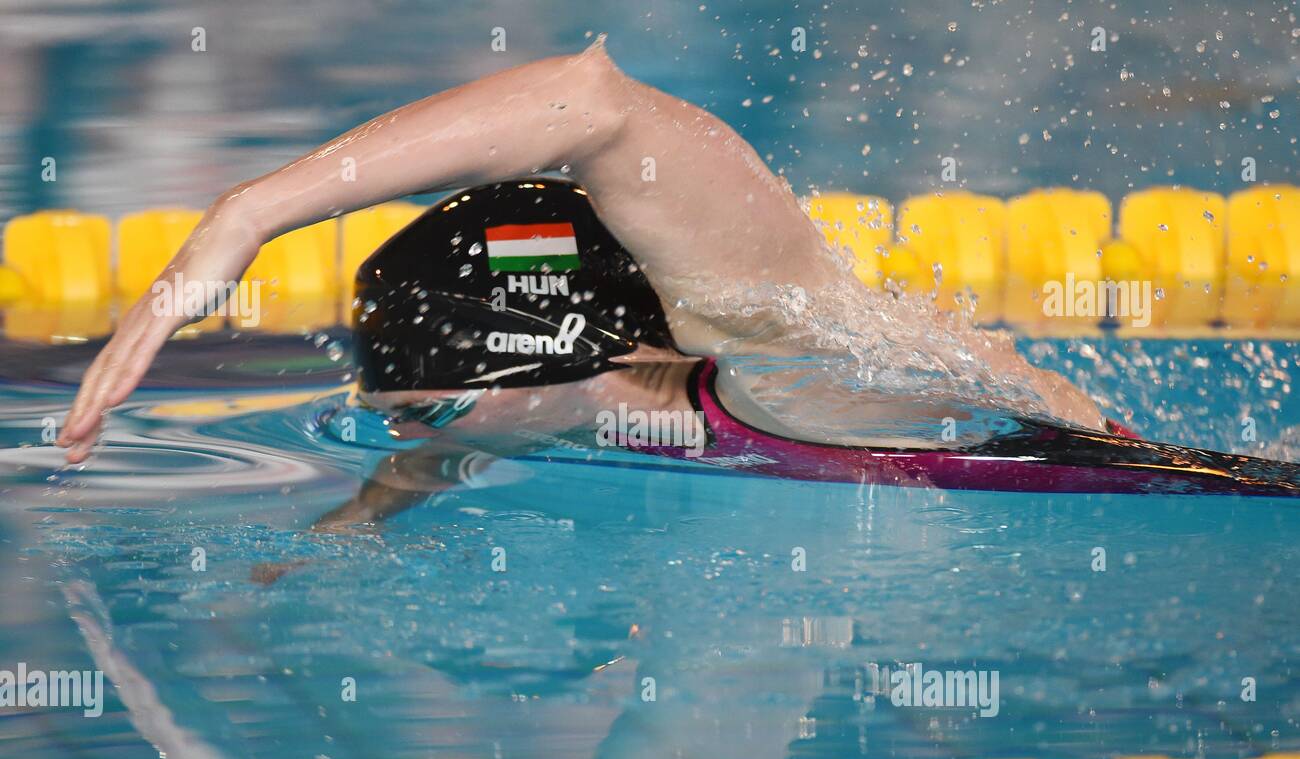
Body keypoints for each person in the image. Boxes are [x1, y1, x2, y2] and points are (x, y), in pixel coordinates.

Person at [58, 39, 1106, 465]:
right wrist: (370, 513)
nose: (413, 439)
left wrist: (249, 211)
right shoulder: (653, 396)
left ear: (563, 353)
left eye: (437, 411)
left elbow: (590, 100)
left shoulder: (763, 337)